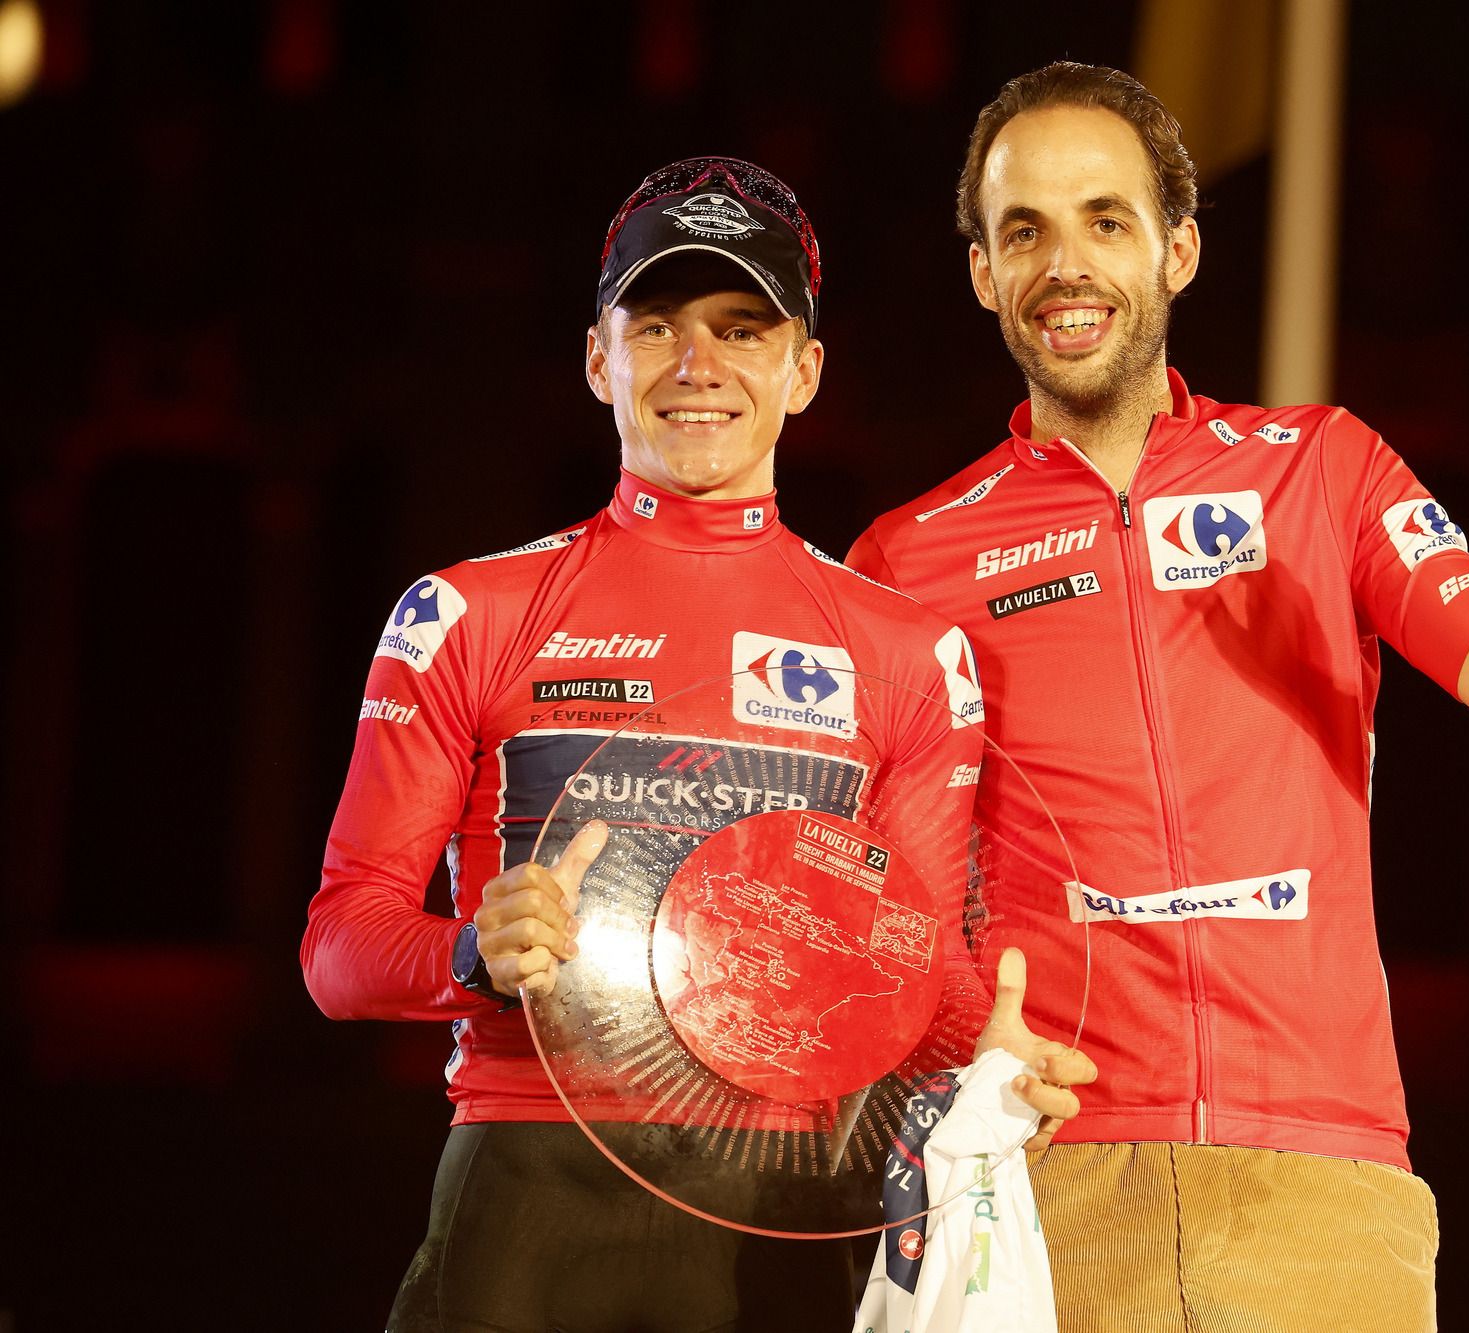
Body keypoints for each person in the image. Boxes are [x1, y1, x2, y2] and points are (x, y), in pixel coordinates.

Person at [846, 63, 1469, 1332]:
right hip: (1044, 1175)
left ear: (1180, 250)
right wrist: (945, 1040)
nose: (1065, 265)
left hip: (1321, 1175)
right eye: (1023, 230)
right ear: (982, 271)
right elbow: (878, 902)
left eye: (1106, 220)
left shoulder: (1322, 468)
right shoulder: (905, 555)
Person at [302, 156, 1091, 1333]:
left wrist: (988, 1052)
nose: (696, 366)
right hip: (526, 1196)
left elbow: (918, 974)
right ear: (595, 357)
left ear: (804, 371)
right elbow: (338, 950)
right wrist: (471, 953)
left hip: (779, 1210)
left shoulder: (908, 655)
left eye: (741, 328)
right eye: (656, 324)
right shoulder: (464, 612)